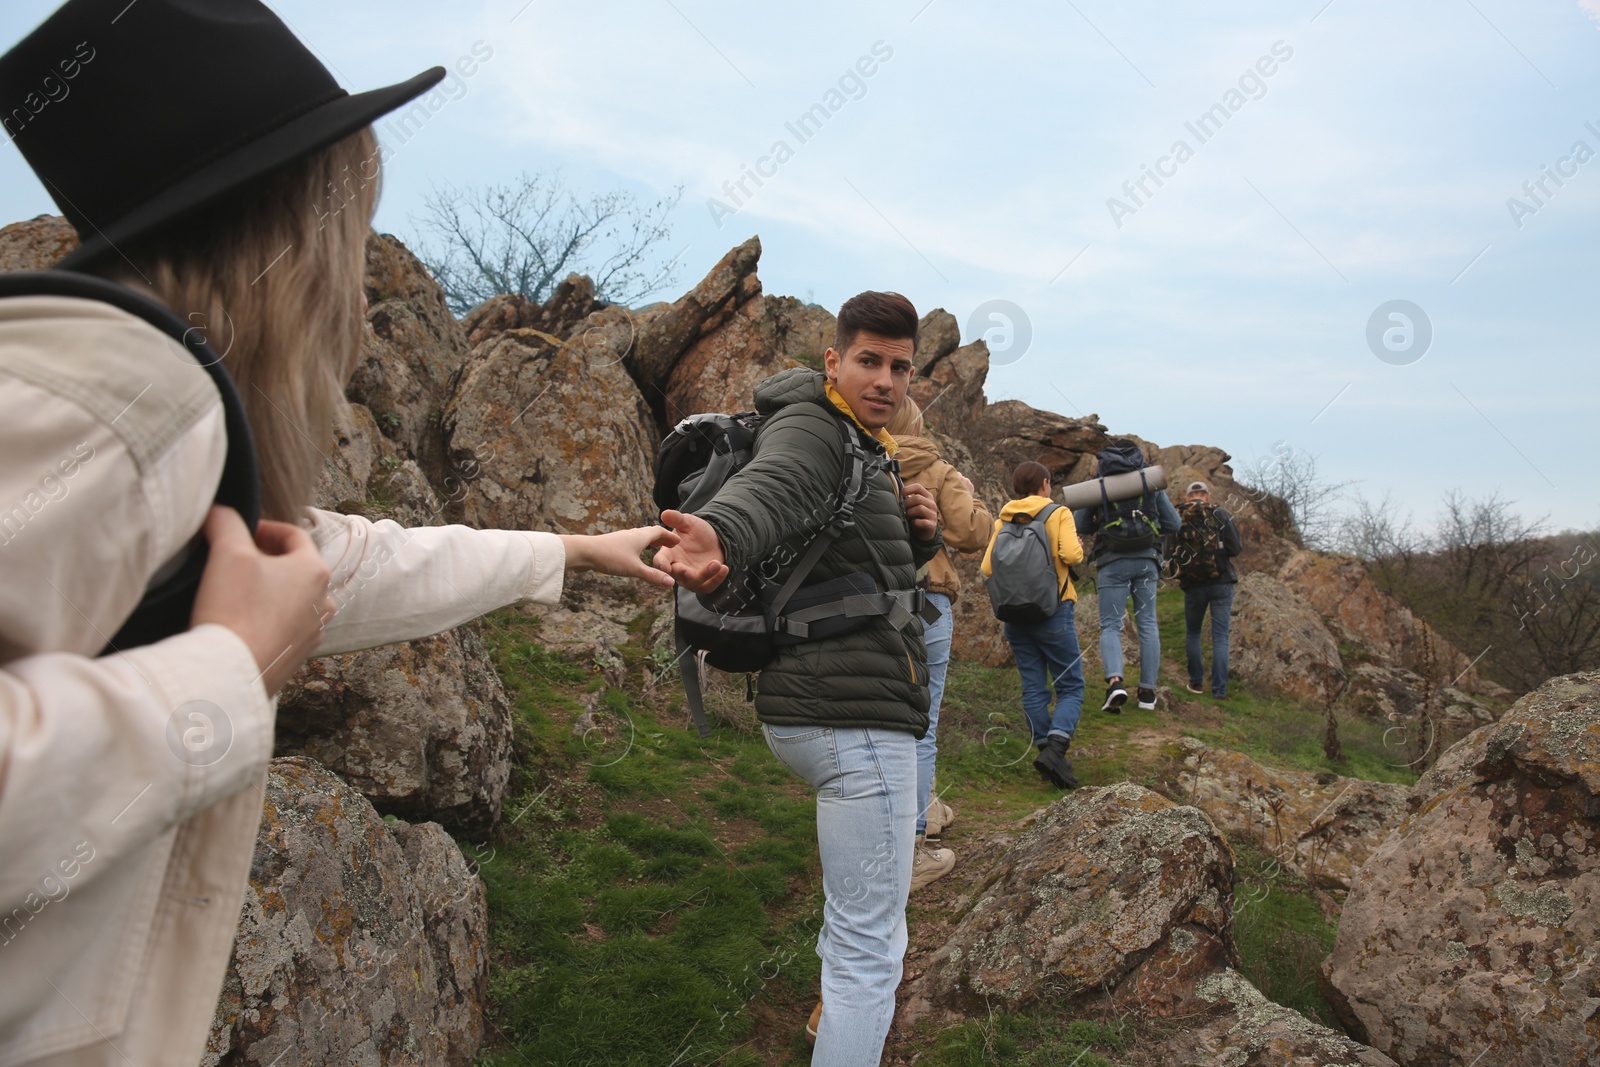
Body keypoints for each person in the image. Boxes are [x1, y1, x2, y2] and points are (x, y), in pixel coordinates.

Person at [0, 4, 673, 1065]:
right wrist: (227, 672)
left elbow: (335, 561)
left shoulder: (161, 409)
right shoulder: (120, 408)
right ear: (292, 232)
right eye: (350, 232)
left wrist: (574, 552)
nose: (361, 291)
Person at [652, 291, 942, 1064]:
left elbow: (860, 577)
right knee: (871, 950)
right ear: (833, 362)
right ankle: (841, 1027)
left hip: (818, 712)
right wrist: (720, 531)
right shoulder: (816, 428)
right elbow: (772, 491)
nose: (885, 379)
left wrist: (918, 539)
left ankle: (826, 1025)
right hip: (857, 727)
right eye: (868, 361)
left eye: (900, 366)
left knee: (852, 919)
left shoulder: (860, 442)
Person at [884, 396, 993, 888]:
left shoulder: (858, 453)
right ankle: (914, 845)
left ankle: (905, 818)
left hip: (872, 601)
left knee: (881, 717)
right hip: (926, 598)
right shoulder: (932, 465)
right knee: (921, 724)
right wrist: (971, 496)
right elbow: (973, 534)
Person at [983, 461, 1088, 789]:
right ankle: (1056, 748)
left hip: (1014, 615)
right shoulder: (1058, 513)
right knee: (1070, 685)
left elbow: (988, 566)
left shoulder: (1004, 517)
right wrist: (1077, 551)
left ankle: (1046, 749)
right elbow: (1071, 555)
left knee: (1033, 686)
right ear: (1045, 483)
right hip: (1053, 611)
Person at [1071, 440, 1181, 713]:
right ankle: (1147, 693)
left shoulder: (1101, 483)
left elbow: (1080, 525)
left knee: (1110, 625)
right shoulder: (1147, 480)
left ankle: (1116, 683)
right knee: (1147, 623)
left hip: (1112, 561)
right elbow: (1174, 524)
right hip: (1147, 561)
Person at [1170, 480, 1242, 699]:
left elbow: (1168, 551)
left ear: (1187, 497)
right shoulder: (1219, 513)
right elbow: (1235, 549)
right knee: (1220, 636)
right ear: (1207, 496)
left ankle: (1196, 682)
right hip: (1220, 582)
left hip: (1192, 585)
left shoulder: (1177, 516)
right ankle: (1219, 690)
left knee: (1193, 633)